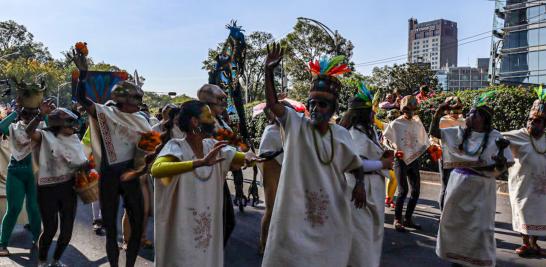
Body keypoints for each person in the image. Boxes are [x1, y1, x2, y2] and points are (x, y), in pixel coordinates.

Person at [261, 43, 366, 267]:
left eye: (323, 104)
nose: (316, 108)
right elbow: (272, 103)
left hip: (330, 212)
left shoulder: (341, 134)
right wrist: (268, 71)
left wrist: (360, 184)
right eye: (312, 103)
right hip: (294, 212)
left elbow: (355, 164)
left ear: (333, 108)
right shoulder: (295, 124)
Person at [150, 100, 261, 267]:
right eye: (208, 116)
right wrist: (198, 163)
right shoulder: (176, 146)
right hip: (182, 228)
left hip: (206, 230)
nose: (213, 120)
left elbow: (237, 156)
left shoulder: (211, 146)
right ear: (195, 121)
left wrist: (249, 158)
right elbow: (157, 169)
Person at [70, 45, 150, 267]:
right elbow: (82, 99)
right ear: (124, 101)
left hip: (132, 176)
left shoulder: (143, 120)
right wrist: (83, 74)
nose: (140, 104)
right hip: (110, 176)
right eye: (136, 99)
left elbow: (150, 146)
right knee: (111, 231)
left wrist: (143, 165)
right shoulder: (105, 113)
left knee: (137, 223)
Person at [431, 91, 514, 267]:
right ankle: (456, 260)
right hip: (458, 186)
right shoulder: (460, 132)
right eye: (469, 112)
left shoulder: (495, 137)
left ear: (483, 118)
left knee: (480, 229)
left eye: (473, 113)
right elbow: (435, 132)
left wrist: (500, 163)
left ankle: (475, 261)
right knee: (455, 226)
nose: (468, 115)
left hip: (481, 190)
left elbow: (504, 166)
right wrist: (439, 111)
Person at [340, 84, 394, 267]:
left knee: (369, 237)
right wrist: (382, 163)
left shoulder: (368, 131)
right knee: (360, 239)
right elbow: (356, 163)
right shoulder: (354, 133)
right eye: (370, 111)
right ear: (362, 114)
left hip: (373, 189)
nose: (374, 114)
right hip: (359, 189)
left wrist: (382, 156)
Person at [26, 106, 87, 267]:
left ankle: (56, 260)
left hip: (69, 188)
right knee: (50, 229)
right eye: (69, 124)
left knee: (67, 232)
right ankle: (42, 260)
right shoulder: (44, 136)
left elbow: (80, 161)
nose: (74, 127)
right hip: (47, 189)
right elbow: (28, 132)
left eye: (74, 124)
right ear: (58, 124)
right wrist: (40, 115)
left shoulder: (74, 138)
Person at [503, 87, 546, 257]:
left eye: (536, 121)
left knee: (540, 213)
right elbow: (497, 138)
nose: (531, 124)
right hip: (522, 186)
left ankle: (534, 244)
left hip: (540, 187)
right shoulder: (519, 135)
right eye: (530, 120)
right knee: (523, 212)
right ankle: (525, 243)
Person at [197, 84, 237, 245]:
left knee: (226, 223)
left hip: (219, 177)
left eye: (224, 99)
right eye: (219, 99)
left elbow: (232, 143)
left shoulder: (220, 120)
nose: (223, 103)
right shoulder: (199, 120)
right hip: (204, 179)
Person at [0, 104, 42, 256]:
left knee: (34, 208)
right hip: (15, 172)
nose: (28, 115)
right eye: (25, 113)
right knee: (13, 209)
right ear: (21, 114)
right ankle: (2, 244)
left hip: (34, 173)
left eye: (32, 113)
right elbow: (0, 127)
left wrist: (43, 113)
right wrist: (16, 109)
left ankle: (38, 239)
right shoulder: (13, 127)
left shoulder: (42, 126)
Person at [383, 95, 430, 232]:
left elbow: (423, 139)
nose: (410, 113)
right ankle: (397, 220)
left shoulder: (417, 122)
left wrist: (431, 147)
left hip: (414, 160)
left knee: (415, 191)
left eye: (413, 110)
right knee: (403, 191)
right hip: (400, 161)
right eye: (408, 110)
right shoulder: (396, 123)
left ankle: (408, 219)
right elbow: (385, 139)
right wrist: (394, 149)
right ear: (403, 110)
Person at [257, 100, 295, 254]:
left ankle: (283, 242)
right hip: (271, 168)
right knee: (271, 208)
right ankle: (264, 243)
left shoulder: (292, 130)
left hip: (288, 170)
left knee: (288, 209)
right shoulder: (271, 130)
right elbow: (265, 155)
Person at [429, 96, 466, 210]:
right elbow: (433, 137)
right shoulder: (442, 120)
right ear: (447, 109)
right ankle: (443, 213)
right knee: (445, 187)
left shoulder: (464, 121)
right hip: (446, 156)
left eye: (458, 110)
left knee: (459, 187)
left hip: (460, 158)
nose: (455, 113)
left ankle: (454, 212)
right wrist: (436, 147)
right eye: (453, 110)